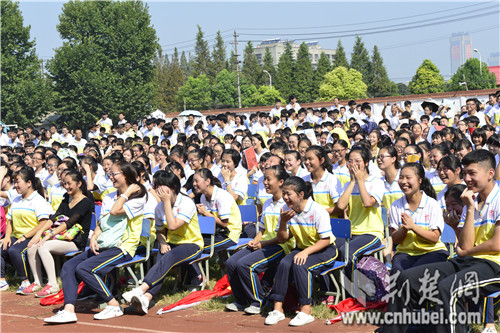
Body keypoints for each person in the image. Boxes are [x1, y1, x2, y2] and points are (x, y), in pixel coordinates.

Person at [383, 150, 500, 333]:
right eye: (465, 173)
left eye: (472, 173)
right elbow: (466, 245)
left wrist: (466, 252)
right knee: (404, 279)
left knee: (449, 288)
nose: (467, 179)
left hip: (494, 265)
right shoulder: (471, 200)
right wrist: (469, 209)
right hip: (467, 261)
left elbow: (496, 244)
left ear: (490, 174)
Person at [44, 161, 147, 323]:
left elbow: (114, 211)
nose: (111, 177)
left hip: (123, 247)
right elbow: (103, 221)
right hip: (104, 244)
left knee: (85, 269)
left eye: (114, 174)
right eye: (110, 174)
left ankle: (114, 305)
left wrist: (126, 193)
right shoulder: (109, 195)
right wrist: (94, 237)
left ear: (126, 175)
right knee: (69, 266)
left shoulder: (138, 197)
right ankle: (69, 310)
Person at [121, 170, 203, 315]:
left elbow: (172, 226)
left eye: (161, 186)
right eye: (156, 186)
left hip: (192, 244)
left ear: (173, 188)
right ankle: (147, 298)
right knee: (162, 255)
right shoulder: (159, 208)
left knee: (169, 257)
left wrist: (166, 202)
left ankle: (141, 289)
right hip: (172, 243)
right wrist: (163, 242)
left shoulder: (186, 203)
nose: (158, 190)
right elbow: (159, 232)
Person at [264, 176, 337, 327]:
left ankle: (306, 310)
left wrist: (306, 252)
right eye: (284, 193)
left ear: (301, 194)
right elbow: (283, 239)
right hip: (301, 248)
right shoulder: (285, 210)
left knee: (300, 265)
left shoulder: (317, 210)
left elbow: (326, 239)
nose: (285, 197)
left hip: (325, 249)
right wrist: (283, 222)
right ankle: (278, 309)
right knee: (284, 263)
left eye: (289, 194)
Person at [225, 165, 293, 314]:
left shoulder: (288, 204)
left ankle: (258, 300)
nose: (265, 183)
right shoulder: (267, 203)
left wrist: (262, 244)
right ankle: (241, 300)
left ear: (281, 181)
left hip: (281, 246)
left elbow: (284, 238)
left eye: (269, 179)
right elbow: (262, 229)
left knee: (245, 265)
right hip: (264, 243)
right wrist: (255, 240)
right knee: (231, 263)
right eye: (264, 179)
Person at [24, 170, 93, 297]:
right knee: (32, 248)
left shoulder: (85, 202)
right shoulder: (67, 198)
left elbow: (70, 223)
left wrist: (49, 235)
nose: (66, 187)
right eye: (64, 184)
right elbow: (54, 217)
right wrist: (39, 233)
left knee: (43, 247)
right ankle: (37, 282)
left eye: (69, 183)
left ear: (79, 183)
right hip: (60, 237)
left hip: (75, 241)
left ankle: (53, 284)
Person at [334, 146, 385, 286]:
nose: (353, 165)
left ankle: (353, 288)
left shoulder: (376, 182)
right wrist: (352, 182)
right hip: (352, 232)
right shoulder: (348, 184)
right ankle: (336, 288)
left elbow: (368, 203)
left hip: (371, 233)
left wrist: (361, 181)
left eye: (358, 161)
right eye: (350, 161)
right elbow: (340, 206)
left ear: (366, 162)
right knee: (330, 247)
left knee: (347, 251)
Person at [0, 167, 53, 292]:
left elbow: (43, 223)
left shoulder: (38, 200)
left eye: (18, 182)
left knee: (14, 250)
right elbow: (10, 221)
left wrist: (25, 236)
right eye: (14, 182)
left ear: (29, 183)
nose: (16, 185)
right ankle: (2, 280)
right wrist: (7, 237)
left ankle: (26, 280)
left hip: (32, 236)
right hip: (16, 236)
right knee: (2, 247)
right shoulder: (17, 200)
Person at [389, 163, 448, 274]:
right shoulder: (396, 205)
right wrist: (405, 229)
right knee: (397, 273)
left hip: (432, 252)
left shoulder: (432, 204)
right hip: (405, 253)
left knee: (414, 273)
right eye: (401, 177)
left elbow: (434, 237)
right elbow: (395, 239)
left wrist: (413, 227)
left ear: (420, 180)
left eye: (408, 177)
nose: (403, 182)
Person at [302, 146, 342, 217]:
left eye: (310, 159)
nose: (307, 162)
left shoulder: (332, 180)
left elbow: (339, 208)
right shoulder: (303, 180)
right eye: (305, 159)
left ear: (322, 160)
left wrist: (318, 213)